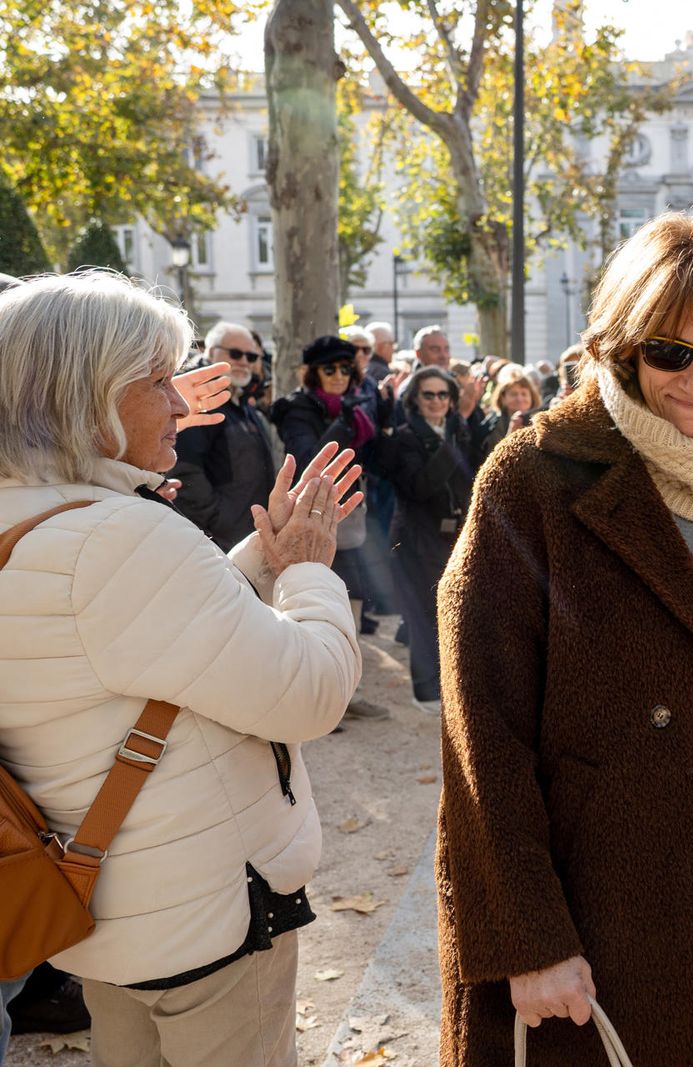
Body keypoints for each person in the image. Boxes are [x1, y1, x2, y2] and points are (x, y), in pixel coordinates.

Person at [433, 212, 693, 1066]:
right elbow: (478, 730)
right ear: (624, 344)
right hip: (574, 909)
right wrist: (527, 937)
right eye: (670, 351)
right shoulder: (531, 477)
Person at [0, 271, 362, 1066]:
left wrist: (256, 565)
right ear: (82, 394)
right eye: (157, 379)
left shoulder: (34, 521)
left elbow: (140, 641)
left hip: (108, 923)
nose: (180, 404)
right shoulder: (119, 536)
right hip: (206, 926)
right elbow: (311, 693)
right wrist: (306, 571)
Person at [269, 336, 389, 688]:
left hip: (349, 519)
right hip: (306, 520)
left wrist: (382, 413)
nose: (339, 375)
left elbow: (378, 460)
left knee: (350, 600)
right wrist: (347, 423)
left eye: (345, 368)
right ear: (312, 373)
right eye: (330, 368)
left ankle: (346, 692)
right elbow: (310, 457)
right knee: (310, 603)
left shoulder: (357, 408)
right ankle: (313, 689)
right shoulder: (296, 407)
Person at [372, 366, 480, 710]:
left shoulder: (459, 430)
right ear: (415, 401)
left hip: (454, 536)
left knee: (457, 613)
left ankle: (453, 684)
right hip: (416, 540)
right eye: (428, 395)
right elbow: (420, 486)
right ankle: (426, 690)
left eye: (442, 394)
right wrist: (449, 445)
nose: (436, 401)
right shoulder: (405, 437)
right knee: (422, 614)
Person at [171, 322, 276, 551]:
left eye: (251, 356)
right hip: (217, 542)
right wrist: (217, 523)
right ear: (209, 350)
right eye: (235, 353)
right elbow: (184, 469)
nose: (243, 362)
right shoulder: (197, 400)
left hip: (246, 537)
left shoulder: (241, 402)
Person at [477, 362, 541, 462]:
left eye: (524, 394)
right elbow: (493, 461)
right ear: (503, 398)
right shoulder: (493, 425)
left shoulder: (540, 421)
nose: (520, 399)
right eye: (514, 394)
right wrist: (511, 435)